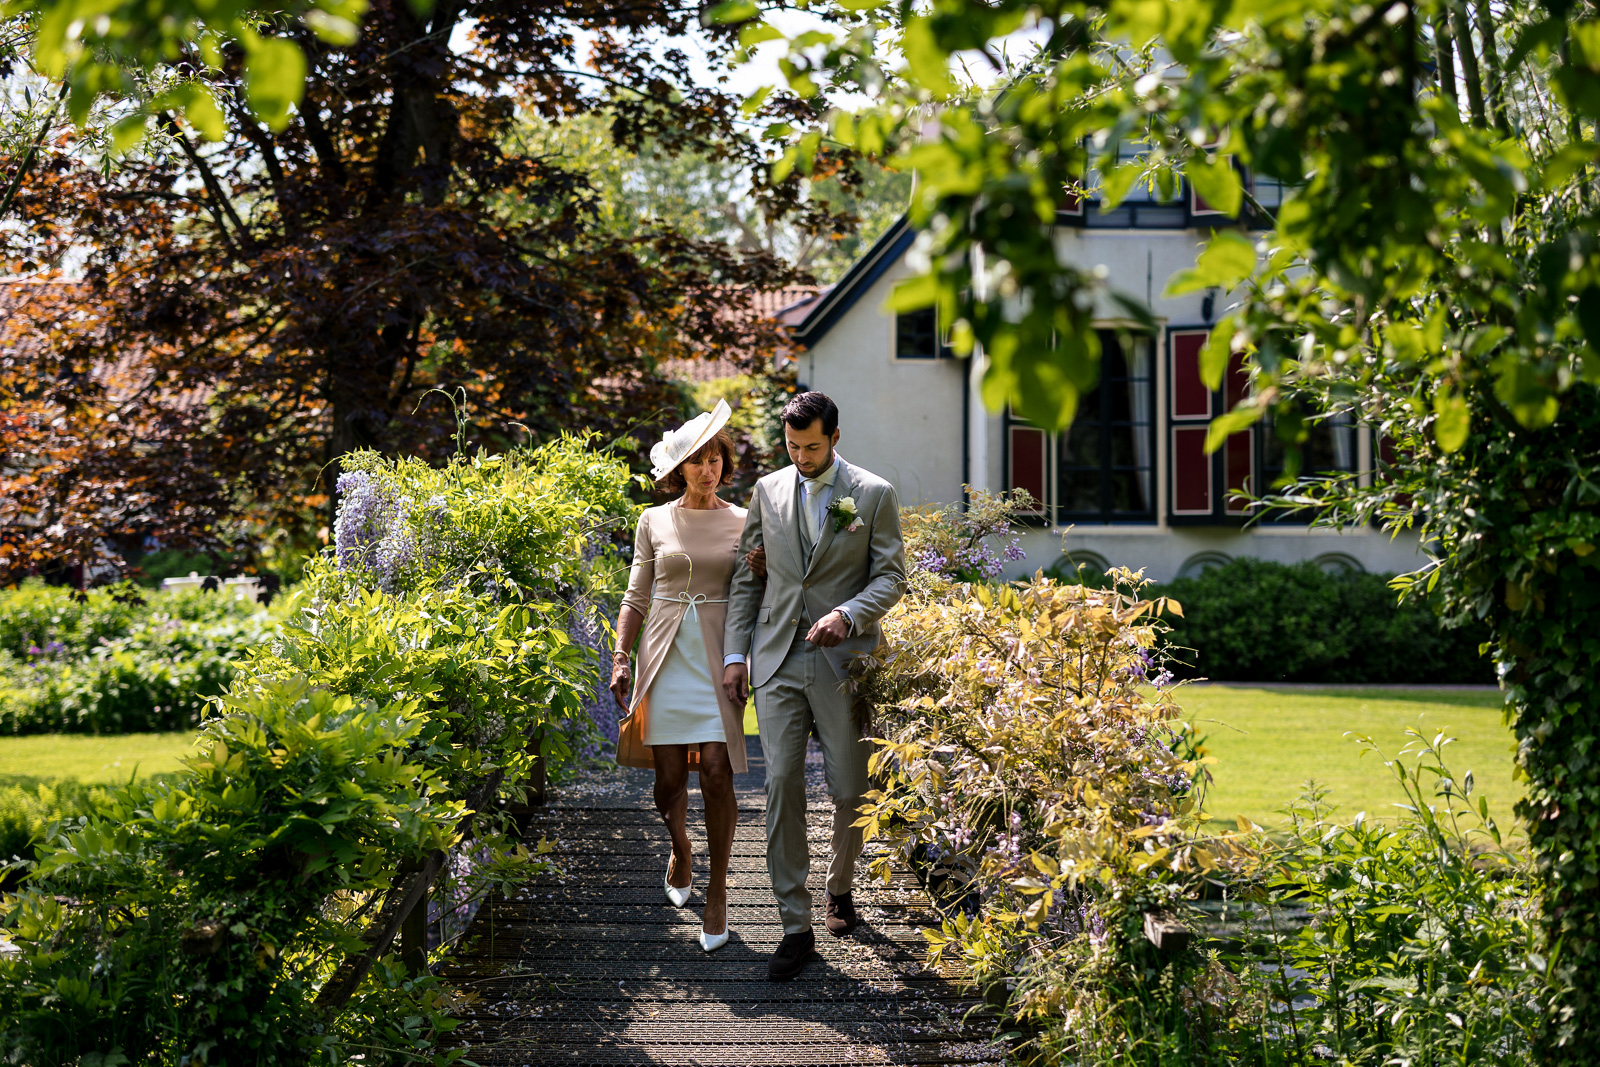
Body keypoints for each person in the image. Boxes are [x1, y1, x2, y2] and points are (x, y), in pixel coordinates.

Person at [722, 391, 907, 980]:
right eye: (792, 447)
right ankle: (794, 925)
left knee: (851, 790)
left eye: (812, 447)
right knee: (779, 782)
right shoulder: (767, 491)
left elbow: (892, 577)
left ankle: (841, 883)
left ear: (834, 438)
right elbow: (749, 578)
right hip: (775, 659)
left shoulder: (872, 495)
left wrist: (849, 614)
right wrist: (735, 654)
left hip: (840, 662)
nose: (800, 457)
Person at [610, 400, 747, 953]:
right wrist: (622, 656)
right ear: (677, 470)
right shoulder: (653, 519)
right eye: (696, 461)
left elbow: (755, 593)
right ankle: (682, 847)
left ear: (724, 465)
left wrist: (759, 569)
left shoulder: (743, 521)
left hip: (719, 654)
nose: (707, 469)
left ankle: (717, 893)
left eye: (715, 459)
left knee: (716, 769)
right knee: (668, 783)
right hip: (664, 653)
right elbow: (635, 595)